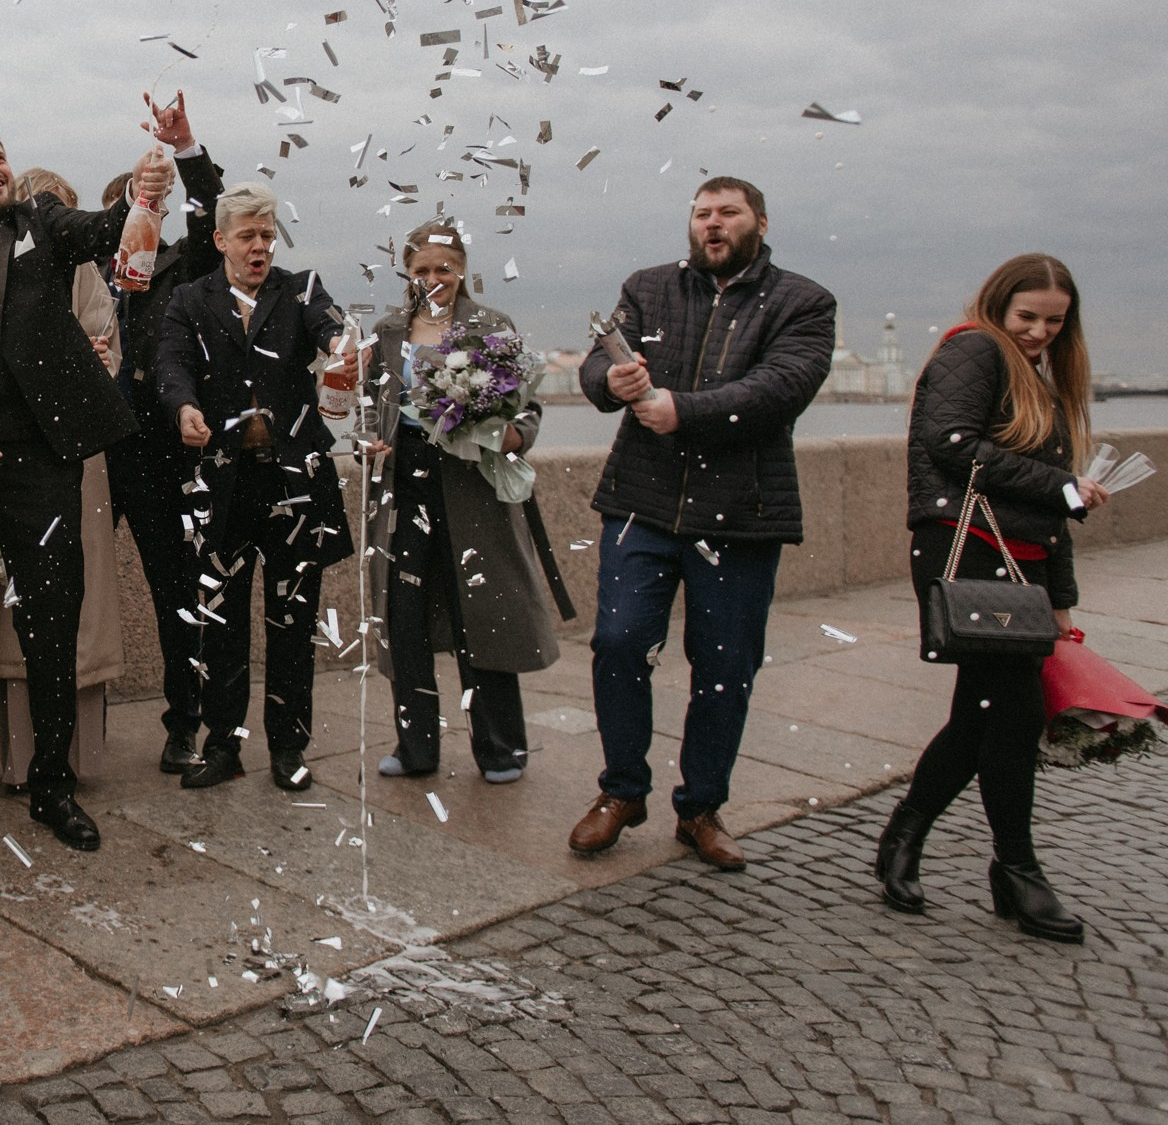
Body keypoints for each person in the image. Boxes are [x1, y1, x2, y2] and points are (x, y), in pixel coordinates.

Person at [0, 127, 174, 852]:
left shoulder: (43, 222)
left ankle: (54, 782)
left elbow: (108, 227)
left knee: (52, 616)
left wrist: (147, 187)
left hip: (39, 458)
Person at [569, 177, 836, 870]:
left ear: (759, 222)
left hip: (741, 515)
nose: (713, 224)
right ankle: (622, 790)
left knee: (724, 667)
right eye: (702, 213)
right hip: (642, 503)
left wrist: (685, 410)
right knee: (619, 643)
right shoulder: (649, 286)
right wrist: (612, 382)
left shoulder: (804, 302)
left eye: (728, 213)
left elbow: (782, 387)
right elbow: (600, 361)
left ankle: (702, 808)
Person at [876, 255, 1104, 942]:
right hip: (966, 547)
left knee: (990, 715)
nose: (1039, 332)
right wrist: (1059, 487)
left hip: (1020, 562)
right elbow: (951, 444)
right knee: (1008, 710)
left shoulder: (1037, 376)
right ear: (999, 306)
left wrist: (1061, 601)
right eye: (1027, 317)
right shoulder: (974, 349)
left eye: (1054, 322)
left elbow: (1049, 514)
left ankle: (911, 836)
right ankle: (1017, 870)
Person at [154, 184, 355, 791]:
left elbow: (333, 330)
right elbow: (171, 364)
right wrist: (183, 406)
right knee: (220, 626)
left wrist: (343, 348)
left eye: (268, 235)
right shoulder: (190, 299)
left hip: (295, 484)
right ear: (220, 240)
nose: (260, 246)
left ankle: (289, 751)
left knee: (293, 624)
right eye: (247, 235)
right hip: (223, 485)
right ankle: (223, 747)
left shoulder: (302, 290)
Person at [362, 219, 560, 786]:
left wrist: (516, 434)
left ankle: (500, 747)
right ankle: (415, 745)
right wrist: (371, 439)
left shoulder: (490, 325)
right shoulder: (390, 331)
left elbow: (526, 407)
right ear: (407, 271)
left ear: (462, 270)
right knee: (404, 620)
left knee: (484, 615)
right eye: (421, 269)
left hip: (471, 487)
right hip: (406, 491)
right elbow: (375, 408)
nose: (433, 279)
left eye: (443, 269)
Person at [0, 167, 127, 789]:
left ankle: (71, 761)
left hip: (68, 451)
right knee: (9, 614)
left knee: (68, 609)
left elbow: (104, 348)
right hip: (2, 450)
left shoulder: (80, 271)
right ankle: (18, 760)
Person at [99, 92, 226, 775]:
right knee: (72, 585)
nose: (140, 219)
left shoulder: (186, 268)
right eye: (128, 211)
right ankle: (66, 726)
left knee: (176, 592)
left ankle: (185, 723)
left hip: (155, 449)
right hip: (86, 451)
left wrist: (186, 151)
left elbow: (216, 217)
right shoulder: (79, 275)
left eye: (151, 207)